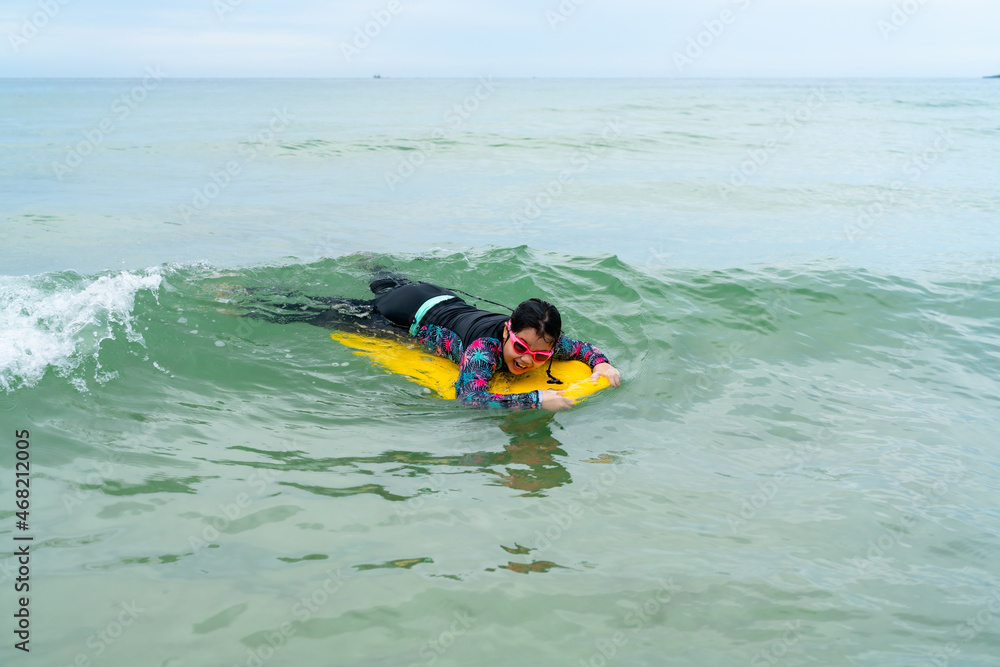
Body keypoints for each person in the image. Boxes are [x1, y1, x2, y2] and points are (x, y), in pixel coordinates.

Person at [244, 272, 622, 411]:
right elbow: (470, 398)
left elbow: (582, 349)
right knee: (317, 312)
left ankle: (373, 266)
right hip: (406, 310)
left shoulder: (544, 342)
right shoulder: (485, 350)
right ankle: (246, 297)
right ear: (508, 331)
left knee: (386, 279)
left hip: (439, 295)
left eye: (539, 356)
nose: (528, 361)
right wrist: (536, 400)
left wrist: (601, 363)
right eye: (520, 349)